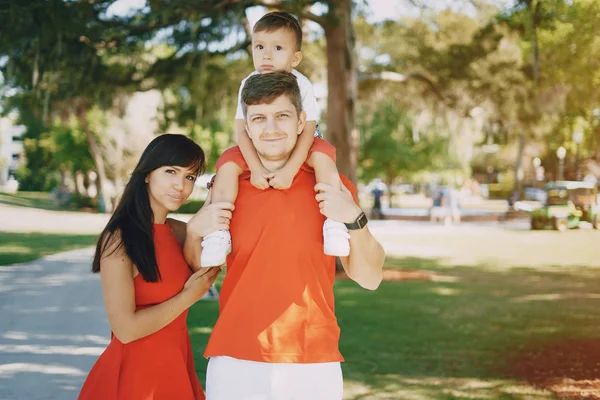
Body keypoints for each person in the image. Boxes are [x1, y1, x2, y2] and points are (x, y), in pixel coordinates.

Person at [185, 72, 385, 400]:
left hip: (313, 360)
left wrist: (354, 218)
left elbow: (370, 277)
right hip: (235, 360)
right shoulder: (227, 188)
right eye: (259, 118)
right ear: (246, 127)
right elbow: (198, 272)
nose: (272, 128)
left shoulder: (331, 185)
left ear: (301, 121)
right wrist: (195, 231)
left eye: (282, 116)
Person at [79, 134, 234, 400]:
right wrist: (188, 297)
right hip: (133, 379)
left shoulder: (181, 232)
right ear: (147, 174)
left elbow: (211, 265)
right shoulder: (119, 238)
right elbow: (125, 330)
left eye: (189, 177)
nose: (180, 185)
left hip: (176, 369)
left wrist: (205, 215)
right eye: (171, 172)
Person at [201, 11, 350, 268]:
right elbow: (241, 130)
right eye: (259, 47)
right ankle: (218, 233)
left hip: (303, 140)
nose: (266, 55)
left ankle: (334, 223)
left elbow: (308, 129)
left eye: (277, 47)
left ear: (296, 57)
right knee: (227, 162)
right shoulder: (248, 82)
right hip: (256, 143)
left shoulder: (301, 84)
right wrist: (256, 169)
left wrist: (291, 170)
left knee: (324, 156)